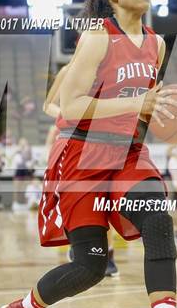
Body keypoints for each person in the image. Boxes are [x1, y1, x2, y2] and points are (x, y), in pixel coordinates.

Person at [0, 0, 177, 308]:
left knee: (157, 216)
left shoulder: (156, 43)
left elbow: (146, 105)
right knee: (90, 265)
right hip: (83, 156)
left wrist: (169, 115)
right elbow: (72, 107)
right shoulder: (98, 37)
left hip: (128, 152)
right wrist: (139, 103)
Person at [43, 61, 120, 277]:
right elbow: (47, 105)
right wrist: (68, 112)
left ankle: (109, 255)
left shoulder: (111, 72)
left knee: (104, 202)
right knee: (73, 202)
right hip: (73, 144)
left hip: (102, 142)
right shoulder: (67, 71)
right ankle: (77, 244)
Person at [12, 138, 34, 211]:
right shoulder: (18, 152)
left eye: (25, 143)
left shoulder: (29, 151)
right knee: (17, 188)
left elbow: (30, 161)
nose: (23, 145)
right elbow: (17, 161)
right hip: (19, 171)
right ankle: (15, 203)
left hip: (26, 171)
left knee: (26, 189)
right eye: (22, 143)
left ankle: (26, 203)